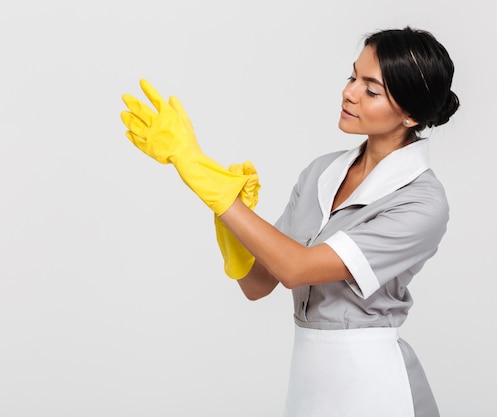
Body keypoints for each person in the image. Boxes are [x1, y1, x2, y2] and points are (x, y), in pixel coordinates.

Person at [121, 26, 459, 417]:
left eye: (371, 90)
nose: (349, 92)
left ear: (411, 113)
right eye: (352, 76)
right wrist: (227, 219)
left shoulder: (421, 201)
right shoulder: (322, 172)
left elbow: (297, 269)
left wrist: (210, 183)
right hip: (307, 381)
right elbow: (259, 284)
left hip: (374, 386)